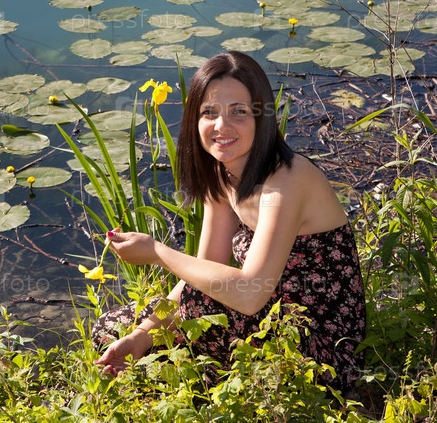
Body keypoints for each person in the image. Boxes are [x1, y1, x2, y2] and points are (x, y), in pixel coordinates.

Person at [92, 51, 366, 392]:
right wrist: (141, 335)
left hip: (317, 347)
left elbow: (248, 294)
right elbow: (204, 270)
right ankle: (196, 373)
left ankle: (209, 380)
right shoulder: (224, 175)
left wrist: (157, 252)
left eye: (239, 112)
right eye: (209, 112)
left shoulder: (288, 181)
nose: (222, 126)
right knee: (113, 327)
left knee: (199, 306)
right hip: (262, 319)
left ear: (262, 118)